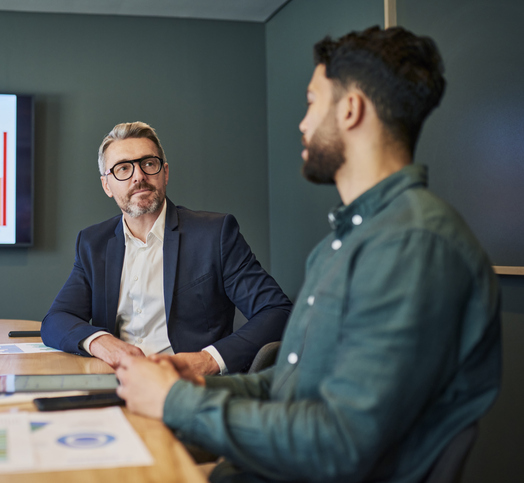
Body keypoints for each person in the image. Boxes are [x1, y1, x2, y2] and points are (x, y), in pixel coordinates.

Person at [115, 26, 502, 482]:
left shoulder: (411, 246)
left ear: (352, 109)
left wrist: (177, 402)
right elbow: (294, 384)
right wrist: (194, 382)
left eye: (313, 100)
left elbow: (341, 444)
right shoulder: (348, 241)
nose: (302, 122)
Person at [41, 121, 292, 375]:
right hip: (117, 384)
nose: (139, 176)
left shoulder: (214, 234)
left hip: (189, 387)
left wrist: (207, 360)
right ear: (107, 185)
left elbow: (277, 312)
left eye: (149, 164)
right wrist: (101, 342)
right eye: (123, 168)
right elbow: (56, 319)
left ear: (165, 173)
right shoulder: (93, 243)